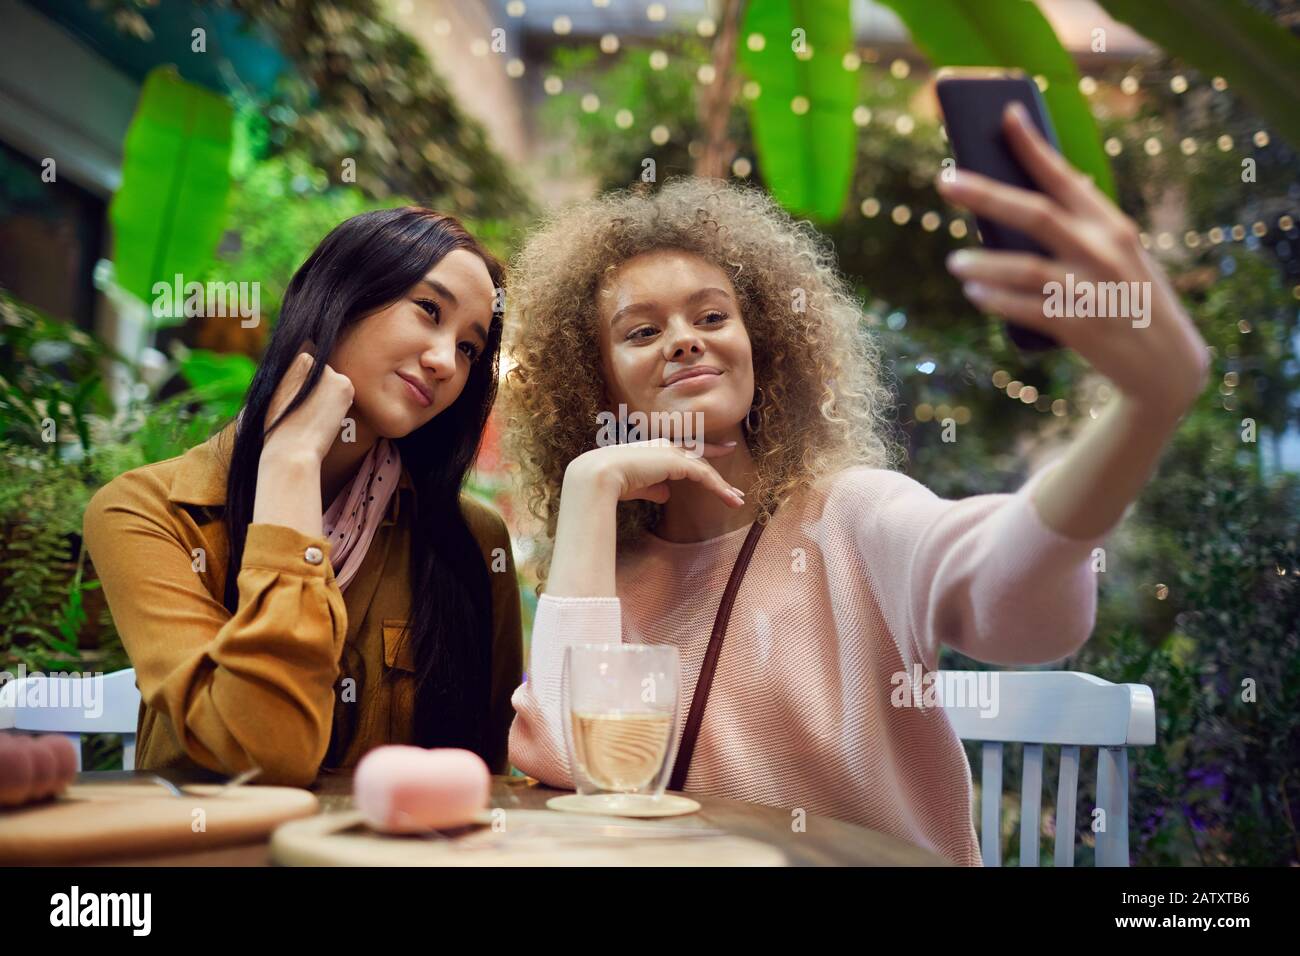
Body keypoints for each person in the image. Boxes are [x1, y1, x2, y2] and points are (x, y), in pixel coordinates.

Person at [501, 106, 1209, 865]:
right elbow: (568, 767)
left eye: (713, 315)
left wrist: (1142, 413)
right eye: (641, 331)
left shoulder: (854, 514)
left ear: (762, 348)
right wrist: (589, 488)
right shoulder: (608, 571)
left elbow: (1016, 598)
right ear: (594, 387)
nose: (684, 338)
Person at [84, 207, 523, 787]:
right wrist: (291, 462)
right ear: (338, 296)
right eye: (428, 310)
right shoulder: (146, 511)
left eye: (469, 348)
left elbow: (490, 782)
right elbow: (266, 755)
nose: (445, 361)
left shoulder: (473, 541)